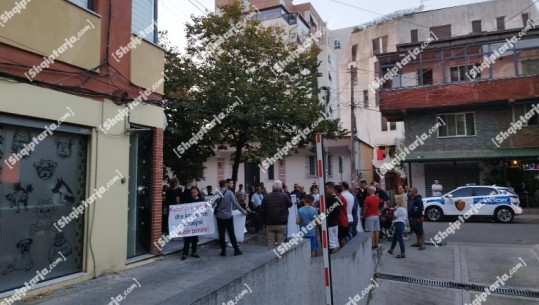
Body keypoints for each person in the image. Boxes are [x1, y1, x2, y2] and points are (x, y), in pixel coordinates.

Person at [215, 179, 247, 256]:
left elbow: (212, 204)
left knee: (221, 234)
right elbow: (235, 204)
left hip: (219, 217)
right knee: (231, 233)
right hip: (228, 216)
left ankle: (223, 251)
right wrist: (243, 211)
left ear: (219, 185)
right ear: (225, 184)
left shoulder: (217, 193)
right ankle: (236, 250)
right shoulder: (229, 193)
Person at [258, 180, 292, 249]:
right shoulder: (284, 196)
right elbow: (290, 204)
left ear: (272, 187)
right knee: (281, 244)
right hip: (281, 223)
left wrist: (263, 222)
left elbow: (262, 210)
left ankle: (270, 258)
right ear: (281, 188)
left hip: (269, 223)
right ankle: (280, 258)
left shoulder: (267, 196)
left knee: (270, 243)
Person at [181, 186, 204, 260]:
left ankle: (194, 252)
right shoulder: (188, 199)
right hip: (189, 222)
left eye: (194, 192)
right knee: (187, 238)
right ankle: (185, 254)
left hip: (196, 222)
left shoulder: (201, 200)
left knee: (195, 238)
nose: (193, 194)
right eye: (192, 192)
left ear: (197, 192)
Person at [324, 182, 342, 254]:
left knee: (332, 244)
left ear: (331, 188)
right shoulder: (337, 198)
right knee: (336, 243)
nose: (325, 190)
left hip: (330, 223)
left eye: (326, 189)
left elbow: (326, 211)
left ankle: (333, 260)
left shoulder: (330, 199)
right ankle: (337, 258)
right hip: (335, 222)